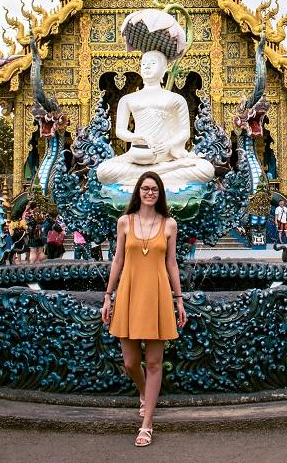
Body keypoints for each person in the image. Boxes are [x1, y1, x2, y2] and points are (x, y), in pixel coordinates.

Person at [101, 171, 186, 447]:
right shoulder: (125, 222)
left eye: (154, 189)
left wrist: (179, 298)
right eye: (145, 188)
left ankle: (146, 424)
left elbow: (172, 264)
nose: (149, 193)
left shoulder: (170, 224)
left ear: (160, 194)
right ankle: (143, 392)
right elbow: (117, 260)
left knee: (153, 362)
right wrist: (107, 296)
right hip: (129, 291)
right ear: (138, 191)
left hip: (159, 294)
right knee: (129, 361)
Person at [96, 50, 214, 191]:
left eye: (152, 63)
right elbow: (120, 131)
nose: (147, 66)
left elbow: (184, 133)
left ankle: (142, 179)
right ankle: (163, 174)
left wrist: (168, 145)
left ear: (164, 69)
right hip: (138, 156)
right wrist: (137, 137)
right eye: (144, 63)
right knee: (103, 171)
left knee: (206, 169)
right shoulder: (128, 99)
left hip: (166, 156)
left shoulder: (176, 99)